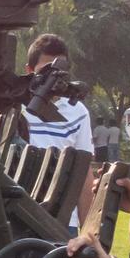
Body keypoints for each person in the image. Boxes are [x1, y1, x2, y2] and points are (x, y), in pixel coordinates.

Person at [21, 34, 94, 230]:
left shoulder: (78, 112)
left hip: (61, 222)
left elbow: (84, 173)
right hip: (16, 213)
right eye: (45, 71)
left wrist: (87, 232)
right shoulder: (12, 104)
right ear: (29, 70)